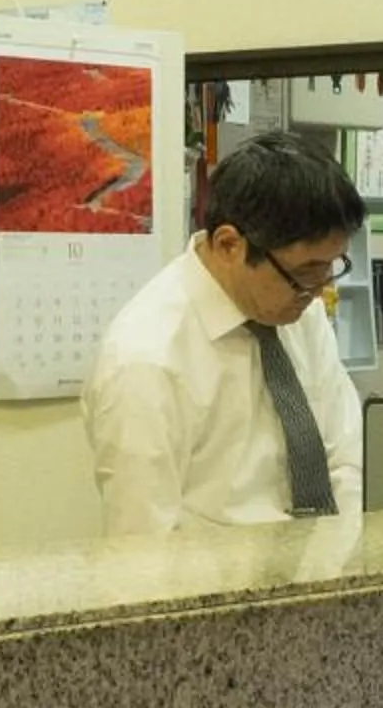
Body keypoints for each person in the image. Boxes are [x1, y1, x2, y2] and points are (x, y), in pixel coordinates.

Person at [84, 131, 366, 536]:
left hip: (320, 582)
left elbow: (345, 460)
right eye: (305, 271)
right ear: (229, 244)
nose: (320, 288)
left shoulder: (300, 309)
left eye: (331, 266)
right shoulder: (146, 360)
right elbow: (141, 547)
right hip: (215, 590)